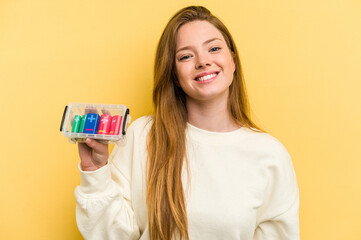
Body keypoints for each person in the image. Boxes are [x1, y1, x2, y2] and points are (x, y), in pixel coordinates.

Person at [75, 6, 299, 240]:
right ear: (174, 75)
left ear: (232, 61)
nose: (203, 61)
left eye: (214, 48)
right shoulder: (142, 136)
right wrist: (95, 172)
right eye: (186, 56)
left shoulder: (270, 154)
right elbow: (113, 235)